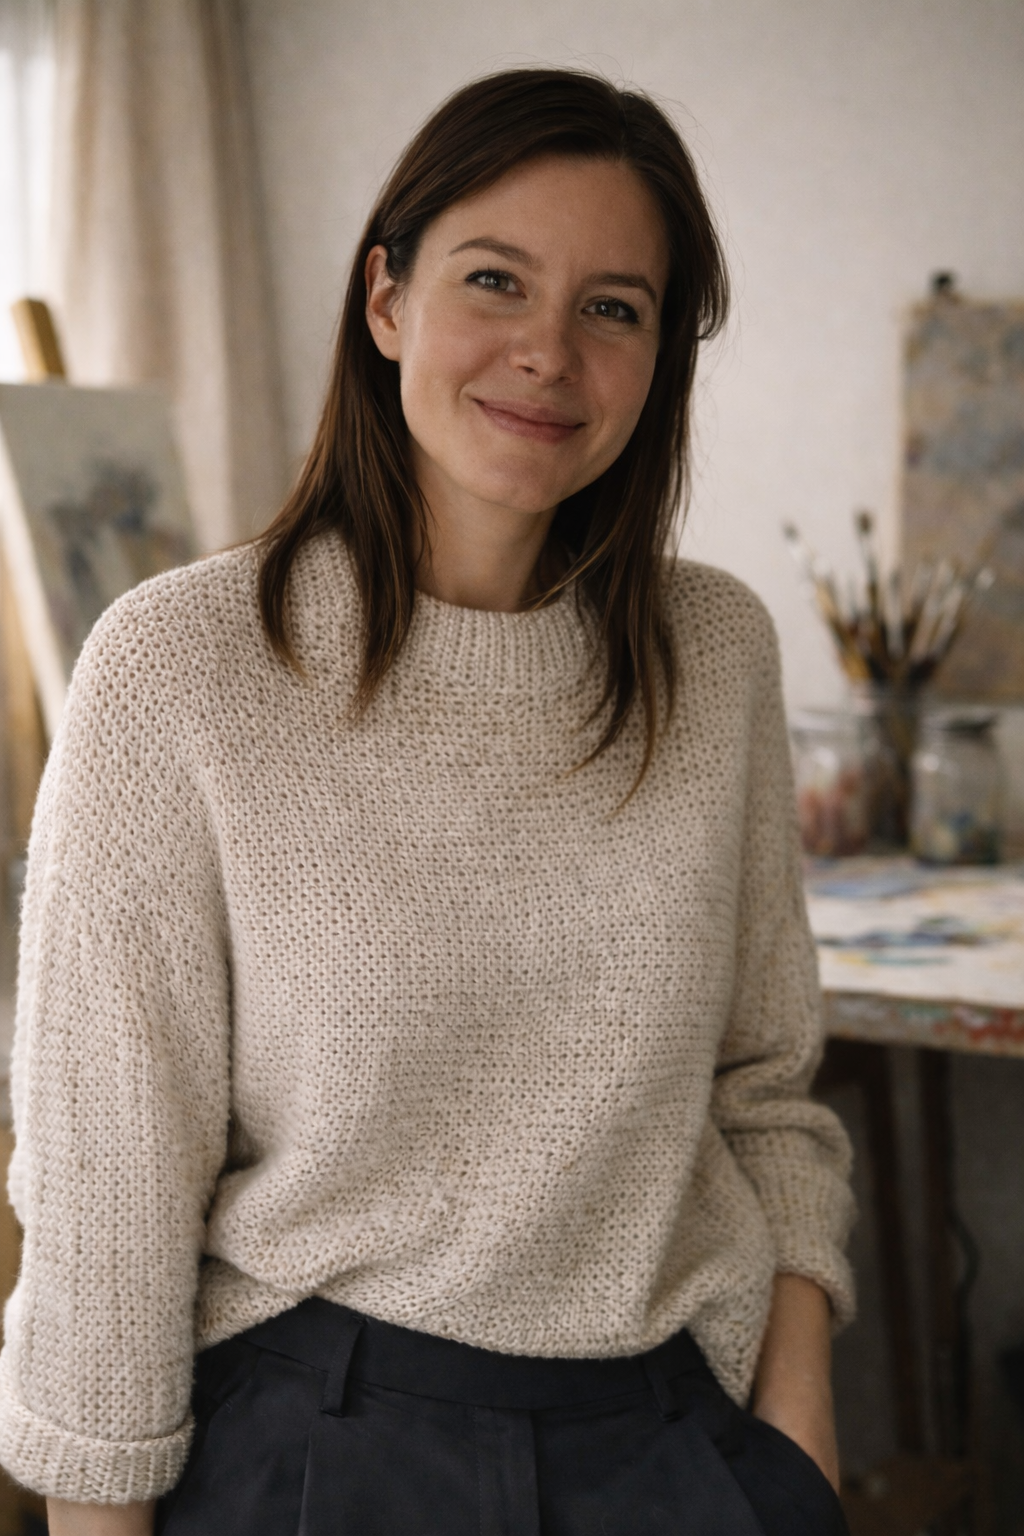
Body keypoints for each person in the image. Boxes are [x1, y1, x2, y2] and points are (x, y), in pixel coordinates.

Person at [0, 68, 855, 1536]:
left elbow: (765, 1090)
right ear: (386, 302)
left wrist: (798, 1448)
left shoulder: (714, 656)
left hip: (671, 1443)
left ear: (659, 361)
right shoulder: (179, 669)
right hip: (319, 1445)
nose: (547, 352)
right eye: (495, 280)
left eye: (614, 307)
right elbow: (108, 1188)